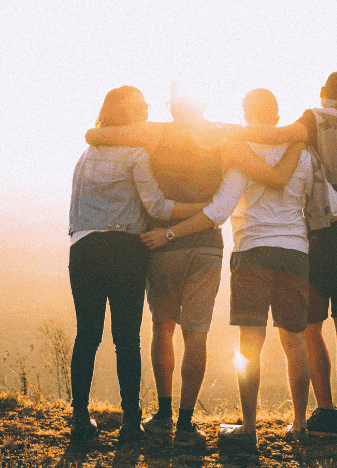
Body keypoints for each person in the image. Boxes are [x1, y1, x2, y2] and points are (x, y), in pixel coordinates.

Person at [141, 88, 337, 447]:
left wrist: (170, 232)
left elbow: (219, 210)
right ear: (277, 117)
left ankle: (249, 427)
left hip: (251, 253)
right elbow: (333, 206)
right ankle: (300, 425)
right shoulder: (303, 154)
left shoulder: (240, 152)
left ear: (246, 114)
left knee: (250, 345)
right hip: (294, 255)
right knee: (295, 343)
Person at [84, 82, 305, 446]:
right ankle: (187, 424)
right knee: (196, 335)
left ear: (172, 107)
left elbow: (96, 134)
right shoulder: (221, 134)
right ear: (204, 104)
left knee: (163, 328)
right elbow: (268, 149)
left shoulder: (154, 133)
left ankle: (164, 414)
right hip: (207, 245)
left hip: (162, 243)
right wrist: (298, 135)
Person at [230, 70, 337, 438]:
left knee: (309, 327)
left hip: (325, 232)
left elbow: (279, 136)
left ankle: (323, 411)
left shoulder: (316, 118)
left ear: (322, 92)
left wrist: (225, 133)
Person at [67, 86, 209, 445]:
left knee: (87, 336)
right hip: (126, 251)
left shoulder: (86, 155)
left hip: (83, 249)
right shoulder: (136, 154)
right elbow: (158, 208)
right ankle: (131, 422)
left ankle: (80, 419)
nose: (147, 109)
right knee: (126, 339)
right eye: (140, 106)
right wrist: (201, 209)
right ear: (126, 114)